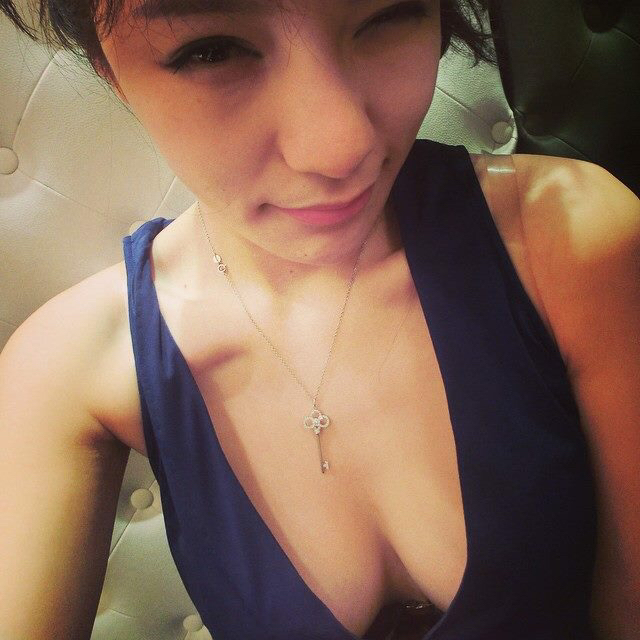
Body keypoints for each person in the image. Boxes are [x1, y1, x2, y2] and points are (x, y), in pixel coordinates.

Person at [0, 0, 638, 639]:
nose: (341, 147)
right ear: (108, 67)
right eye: (211, 51)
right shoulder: (69, 371)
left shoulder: (570, 239)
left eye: (390, 15)